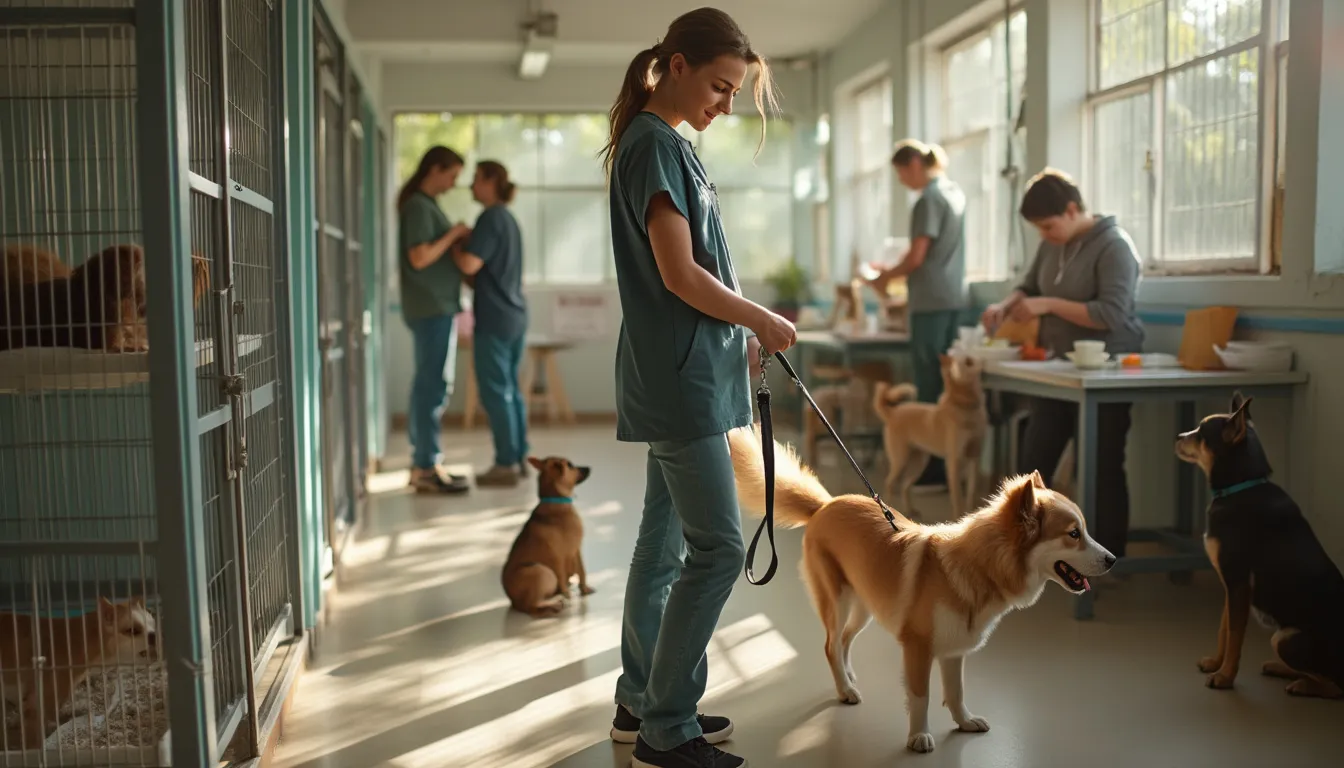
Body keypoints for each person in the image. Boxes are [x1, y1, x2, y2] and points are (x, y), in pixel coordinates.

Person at [600, 8, 796, 768]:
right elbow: (680, 275)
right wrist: (761, 318)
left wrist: (739, 331)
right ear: (676, 65)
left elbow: (693, 271)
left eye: (733, 93)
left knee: (662, 541)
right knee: (715, 548)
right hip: (678, 381)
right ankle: (667, 726)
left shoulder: (666, 145)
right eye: (719, 87)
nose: (724, 104)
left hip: (683, 371)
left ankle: (639, 696)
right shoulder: (654, 145)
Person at [981, 168, 1144, 557]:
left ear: (1073, 209)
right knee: (1035, 455)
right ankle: (1019, 548)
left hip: (1107, 370)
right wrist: (1006, 304)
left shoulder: (1115, 247)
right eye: (1039, 229)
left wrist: (1048, 305)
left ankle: (1108, 555)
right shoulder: (1053, 245)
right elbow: (1030, 285)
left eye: (1049, 226)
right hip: (1058, 367)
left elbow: (1111, 314)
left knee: (1102, 462)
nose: (1045, 235)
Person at [867, 139, 967, 490]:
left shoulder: (927, 201)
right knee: (947, 383)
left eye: (900, 173)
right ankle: (944, 463)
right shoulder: (953, 194)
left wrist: (883, 277)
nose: (901, 181)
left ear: (912, 165)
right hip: (953, 298)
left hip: (929, 302)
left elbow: (916, 257)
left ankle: (932, 467)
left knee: (928, 383)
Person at [396, 146, 473, 494]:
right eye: (452, 175)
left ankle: (425, 462)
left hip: (436, 306)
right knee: (433, 386)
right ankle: (426, 466)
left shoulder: (424, 205)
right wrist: (454, 234)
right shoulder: (418, 206)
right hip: (431, 307)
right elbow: (420, 256)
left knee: (430, 385)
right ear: (435, 169)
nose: (454, 183)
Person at [448, 161, 529, 487]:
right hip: (515, 315)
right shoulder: (508, 220)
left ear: (492, 181)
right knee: (510, 390)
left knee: (496, 392)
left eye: (476, 180)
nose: (470, 186)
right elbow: (481, 275)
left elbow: (469, 262)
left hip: (495, 319)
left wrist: (455, 242)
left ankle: (506, 464)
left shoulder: (490, 218)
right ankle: (518, 456)